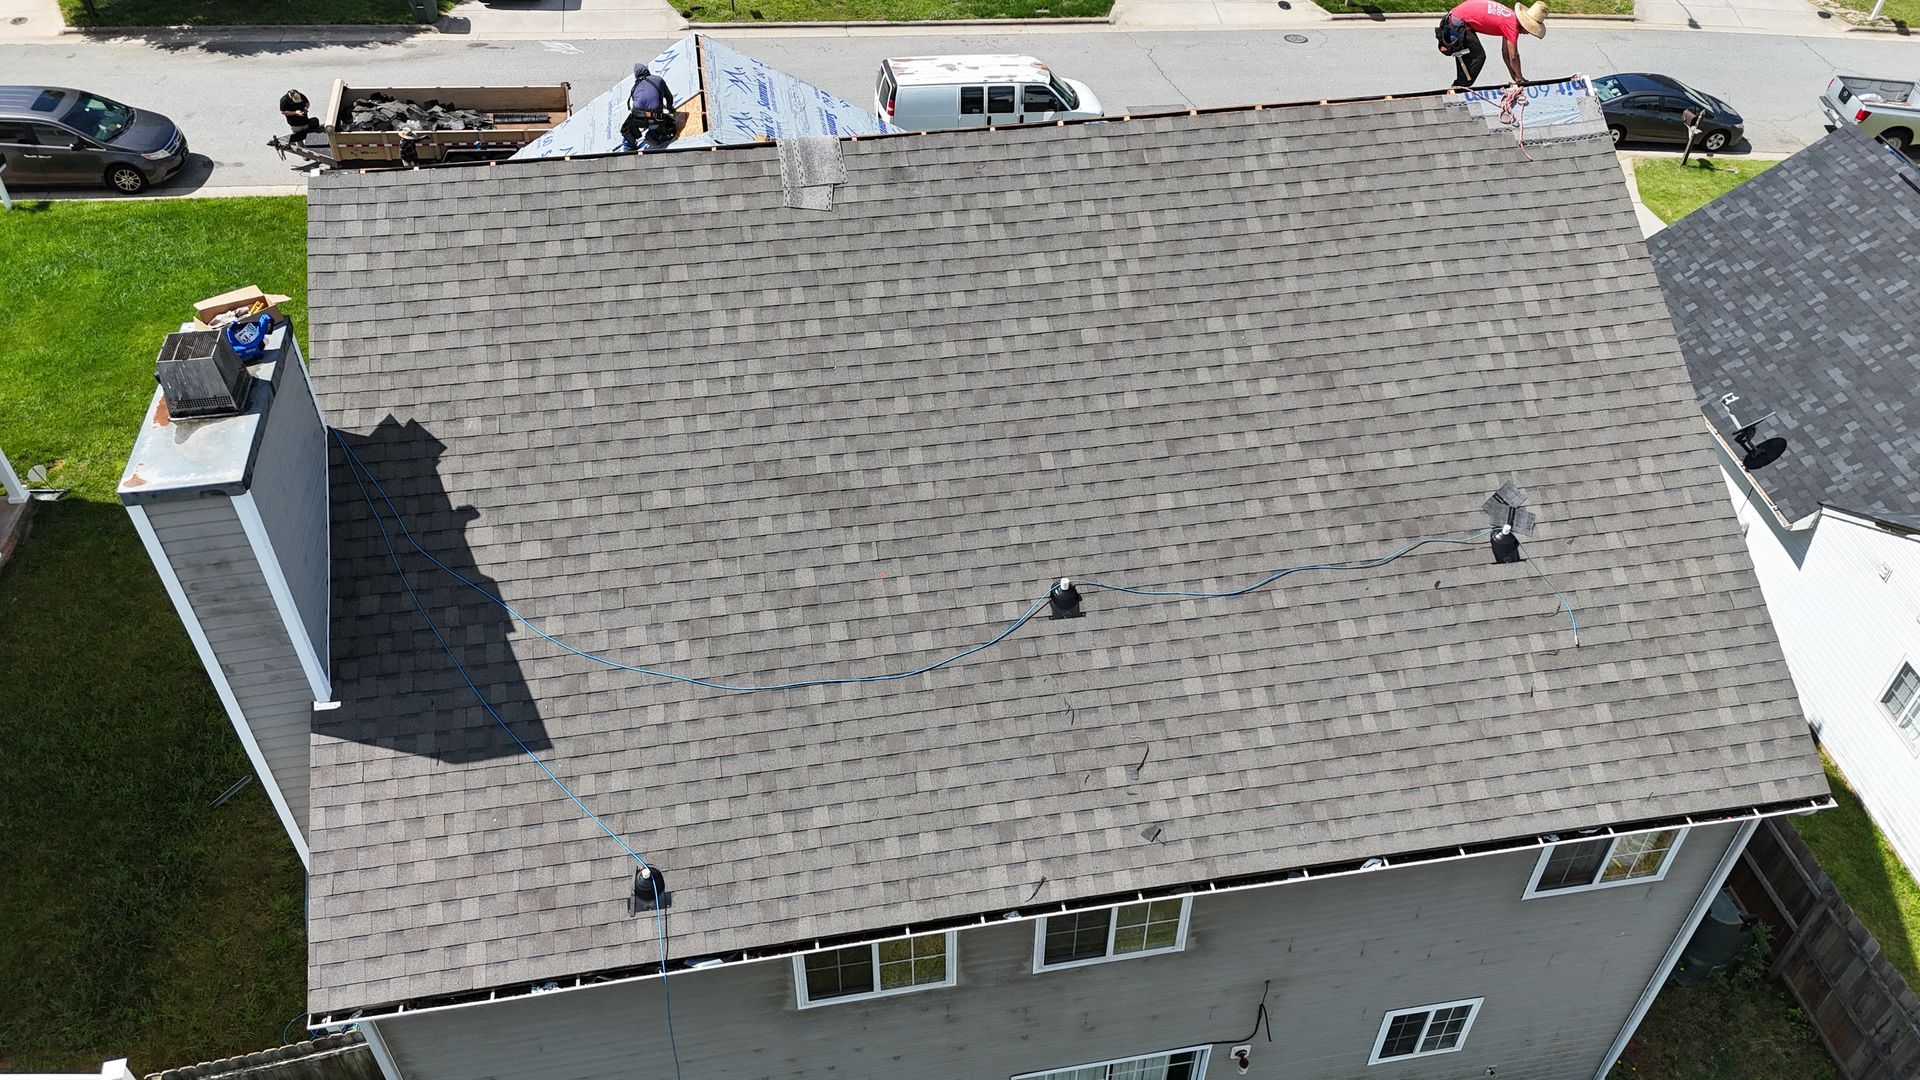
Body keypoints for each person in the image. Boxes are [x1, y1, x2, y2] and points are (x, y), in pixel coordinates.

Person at [1436, 0, 1547, 89]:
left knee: (1474, 55)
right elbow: (1514, 56)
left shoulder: (1510, 17)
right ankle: (1457, 88)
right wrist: (1520, 77)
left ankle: (1459, 86)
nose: (1528, 33)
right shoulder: (1512, 26)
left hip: (1457, 17)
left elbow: (1505, 53)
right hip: (1456, 23)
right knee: (1477, 57)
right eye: (1530, 29)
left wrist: (1514, 77)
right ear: (1525, 24)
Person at [620, 63, 677, 152]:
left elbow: (636, 103)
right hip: (655, 118)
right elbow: (669, 97)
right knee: (667, 124)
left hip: (638, 118)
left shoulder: (635, 87)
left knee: (628, 127)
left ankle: (628, 146)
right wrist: (670, 108)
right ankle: (652, 135)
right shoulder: (659, 80)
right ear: (647, 71)